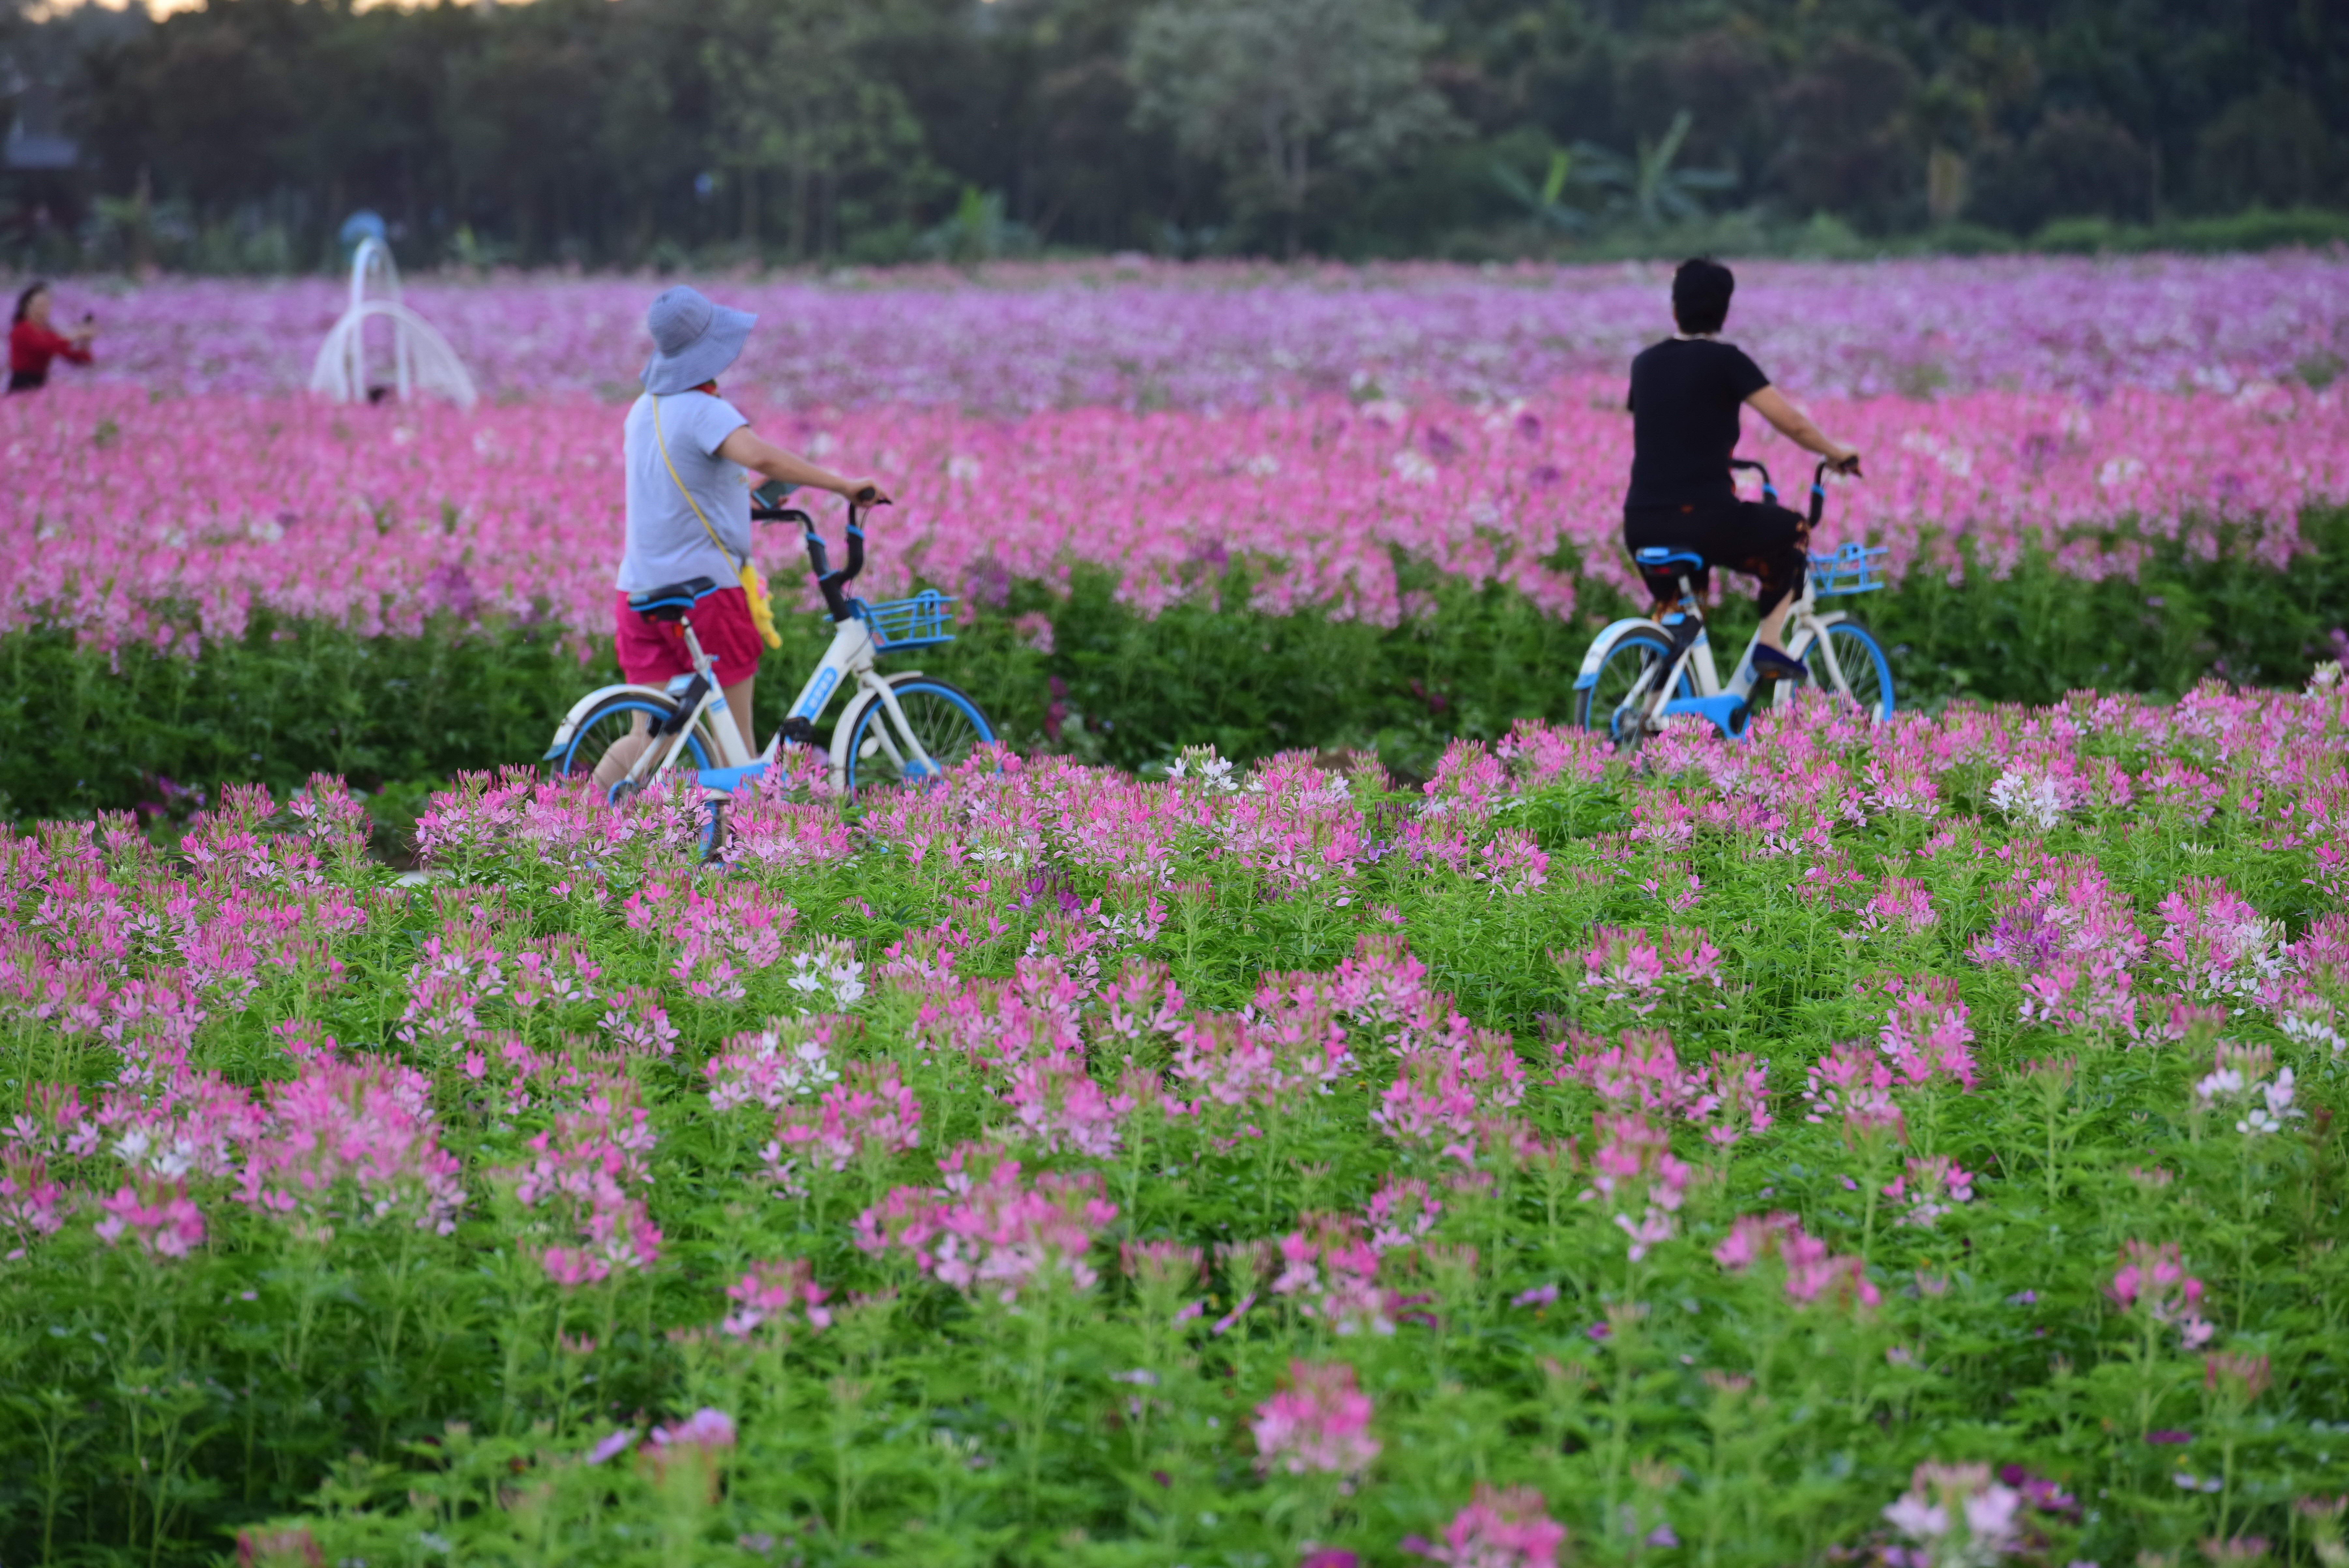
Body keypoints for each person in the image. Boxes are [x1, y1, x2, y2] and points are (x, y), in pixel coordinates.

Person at [600, 284, 886, 785]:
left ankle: (580, 821)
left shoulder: (642, 411)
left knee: (648, 739)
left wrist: (749, 500)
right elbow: (761, 456)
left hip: (639, 592)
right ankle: (742, 853)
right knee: (740, 750)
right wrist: (843, 485)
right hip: (706, 594)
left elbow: (683, 485)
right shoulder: (708, 411)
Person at [1623, 258, 1859, 680]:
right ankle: (1769, 644)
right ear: (1724, 313)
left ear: (1674, 308)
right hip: (1703, 518)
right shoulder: (1725, 361)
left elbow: (1663, 426)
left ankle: (1649, 708)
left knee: (1681, 620)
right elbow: (1793, 423)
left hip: (1640, 521)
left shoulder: (1643, 364)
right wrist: (1834, 452)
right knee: (1794, 530)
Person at [8, 281, 96, 393]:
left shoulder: (48, 332)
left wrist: (86, 342)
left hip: (39, 385)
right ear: (27, 307)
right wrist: (74, 335)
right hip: (21, 385)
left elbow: (79, 358)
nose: (43, 310)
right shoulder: (20, 330)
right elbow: (42, 346)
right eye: (39, 306)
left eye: (47, 305)